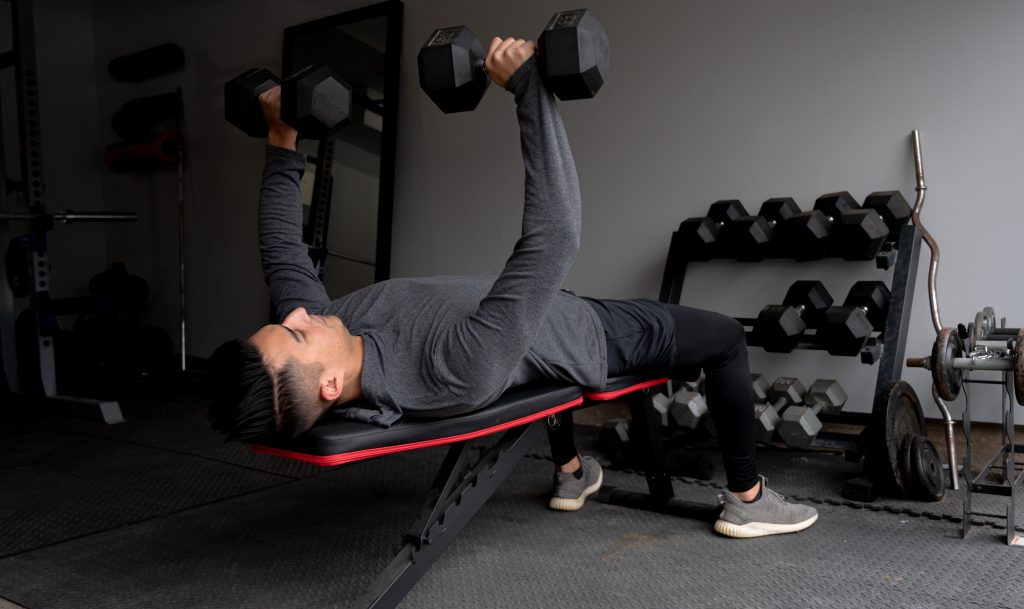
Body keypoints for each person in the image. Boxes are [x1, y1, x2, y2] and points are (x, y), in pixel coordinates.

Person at [209, 37, 817, 539]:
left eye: (287, 321)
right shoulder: (450, 368)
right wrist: (529, 88)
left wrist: (281, 138)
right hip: (594, 335)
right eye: (296, 333)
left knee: (524, 333)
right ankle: (748, 498)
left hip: (538, 325)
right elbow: (555, 237)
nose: (300, 315)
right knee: (724, 339)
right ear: (330, 386)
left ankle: (572, 470)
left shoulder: (327, 336)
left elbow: (282, 248)